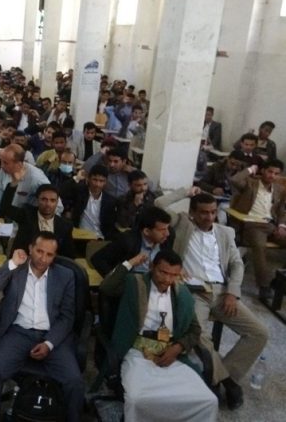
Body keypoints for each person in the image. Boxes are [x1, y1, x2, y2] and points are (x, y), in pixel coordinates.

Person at [155, 188, 268, 410]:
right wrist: (186, 192)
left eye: (213, 212)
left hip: (222, 292)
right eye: (204, 212)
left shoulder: (225, 232)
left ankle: (223, 377)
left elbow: (236, 264)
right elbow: (159, 203)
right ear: (193, 213)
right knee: (199, 335)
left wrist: (232, 292)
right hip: (194, 293)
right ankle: (228, 384)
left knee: (259, 332)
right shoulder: (182, 224)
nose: (209, 217)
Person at [99, 250, 218, 422]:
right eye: (163, 272)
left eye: (174, 275)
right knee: (137, 400)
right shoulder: (135, 284)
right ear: (151, 267)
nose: (167, 280)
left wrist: (178, 347)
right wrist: (131, 262)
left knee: (207, 400)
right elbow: (106, 287)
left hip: (171, 353)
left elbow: (195, 329)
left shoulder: (181, 294)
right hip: (137, 352)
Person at [0, 232, 83, 422]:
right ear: (30, 248)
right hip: (18, 333)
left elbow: (67, 317)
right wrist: (12, 263)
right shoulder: (17, 269)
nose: (43, 258)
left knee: (74, 382)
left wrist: (49, 343)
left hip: (53, 336)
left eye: (49, 255)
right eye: (39, 251)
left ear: (55, 256)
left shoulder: (65, 276)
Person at [229, 159, 286, 299]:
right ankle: (264, 286)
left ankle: (280, 280)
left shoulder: (279, 189)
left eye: (276, 174)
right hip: (252, 223)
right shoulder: (250, 183)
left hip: (271, 224)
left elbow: (281, 211)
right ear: (263, 171)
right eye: (270, 172)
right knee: (260, 246)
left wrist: (282, 226)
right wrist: (250, 169)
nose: (272, 176)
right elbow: (234, 180)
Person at [91, 207, 174, 276]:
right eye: (162, 230)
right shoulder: (127, 240)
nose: (167, 233)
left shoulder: (166, 241)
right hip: (130, 283)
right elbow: (98, 259)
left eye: (167, 228)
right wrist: (115, 278)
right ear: (146, 231)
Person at [0, 144, 51, 228]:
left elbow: (57, 206)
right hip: (11, 217)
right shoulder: (5, 169)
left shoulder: (36, 179)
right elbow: (0, 191)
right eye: (1, 161)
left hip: (31, 222)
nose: (2, 166)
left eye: (5, 163)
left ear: (19, 164)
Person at [10, 184, 75, 257]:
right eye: (44, 199)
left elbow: (68, 255)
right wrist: (13, 184)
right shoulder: (25, 215)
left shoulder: (65, 225)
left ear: (57, 202)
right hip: (24, 261)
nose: (48, 204)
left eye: (52, 200)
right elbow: (7, 209)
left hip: (53, 263)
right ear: (37, 200)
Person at [64, 164, 117, 240]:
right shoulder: (79, 192)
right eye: (95, 180)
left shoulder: (110, 201)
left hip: (100, 238)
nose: (97, 184)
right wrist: (77, 178)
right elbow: (63, 191)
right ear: (88, 179)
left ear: (105, 182)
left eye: (101, 181)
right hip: (79, 237)